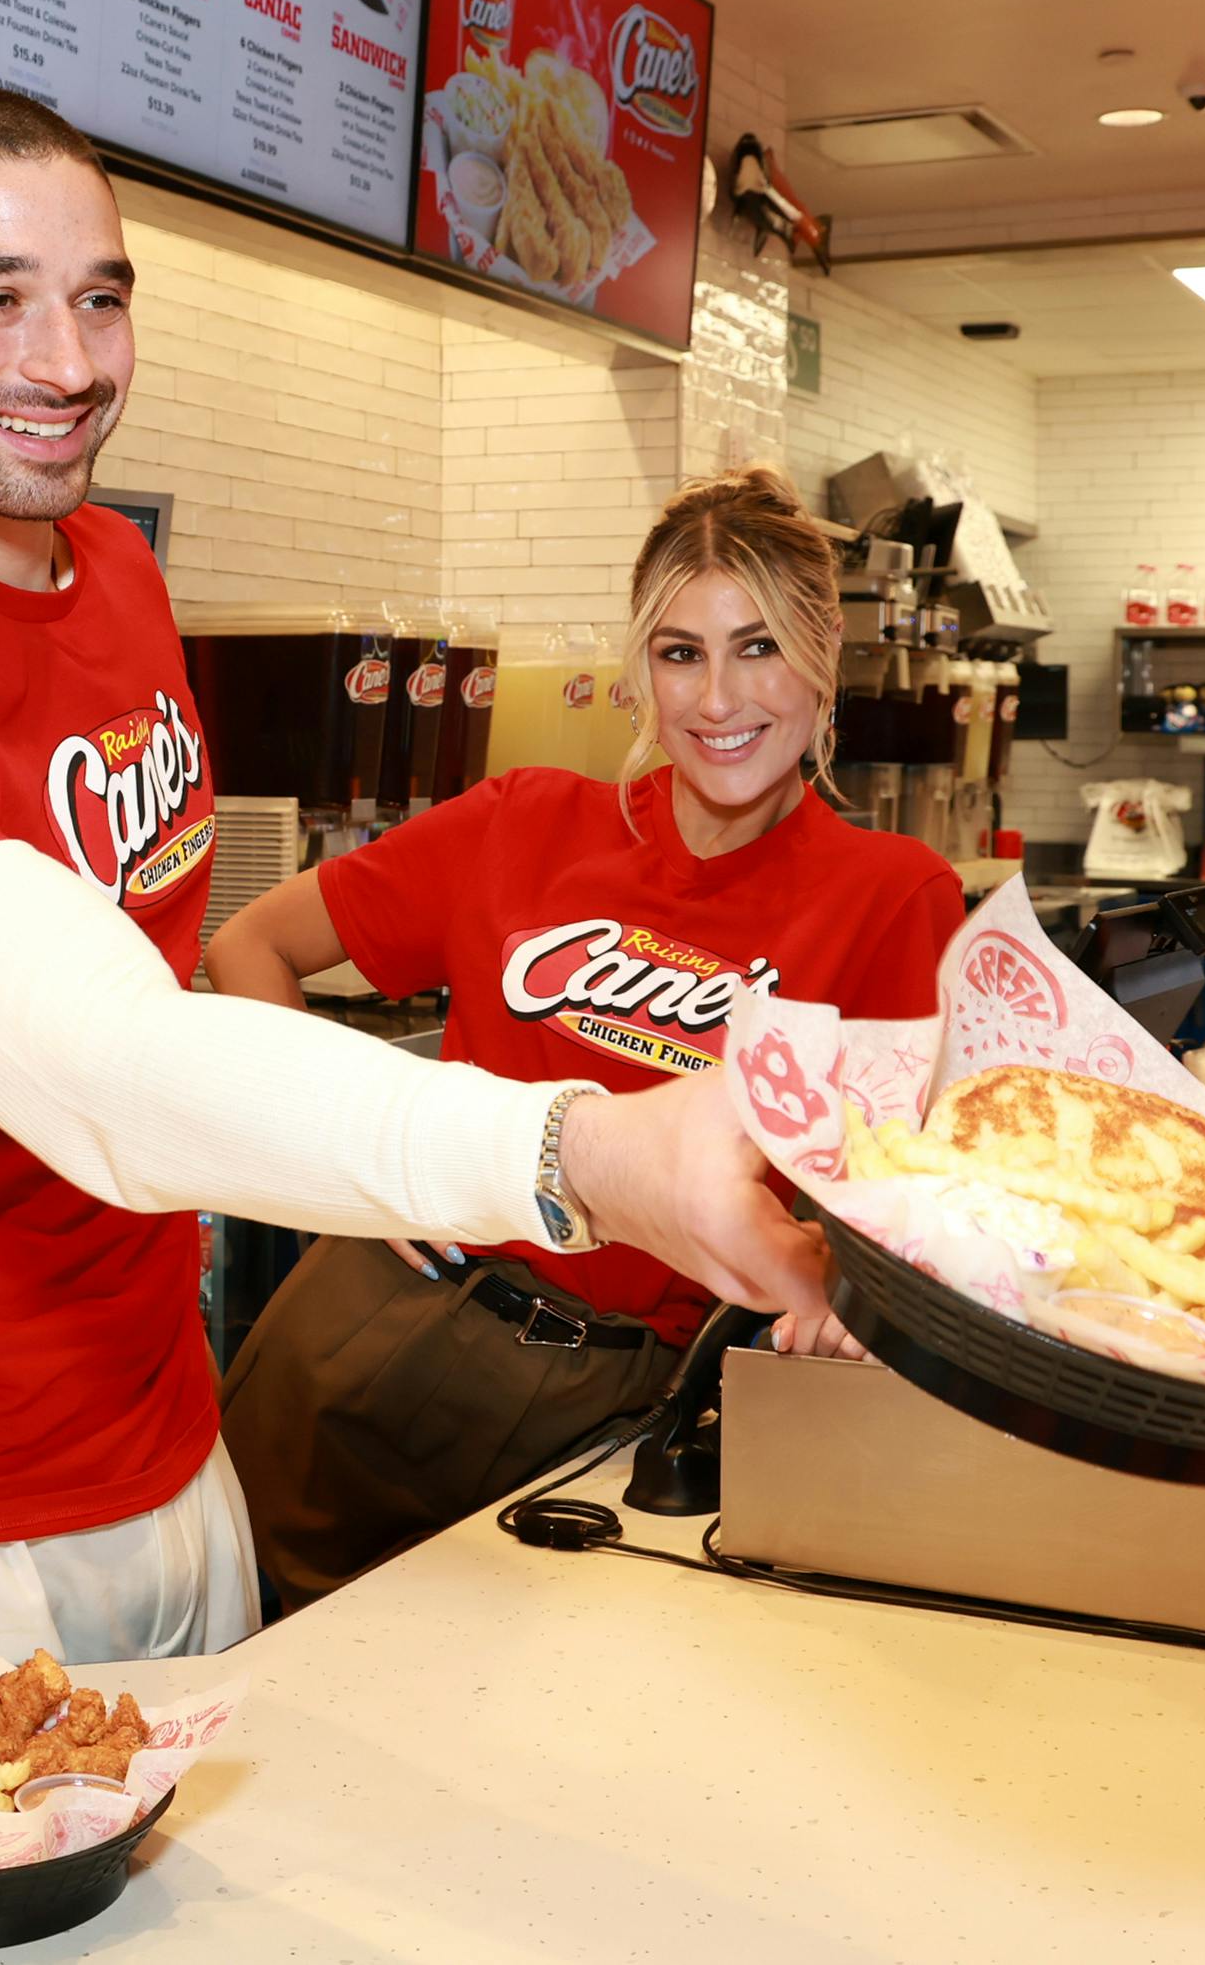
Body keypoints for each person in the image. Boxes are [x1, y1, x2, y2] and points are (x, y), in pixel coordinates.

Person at [0, 83, 835, 1682]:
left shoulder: (110, 574)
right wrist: (582, 1147)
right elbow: (116, 1069)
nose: (64, 364)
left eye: (100, 297)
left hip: (165, 1447)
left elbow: (180, 973)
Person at [211, 468, 965, 1609]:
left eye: (756, 647)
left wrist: (855, 1302)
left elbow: (900, 1196)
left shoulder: (891, 893)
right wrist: (353, 1170)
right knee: (235, 1679)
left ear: (824, 664)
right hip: (369, 1328)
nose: (717, 697)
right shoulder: (524, 822)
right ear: (640, 672)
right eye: (678, 653)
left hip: (606, 1402)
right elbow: (249, 944)